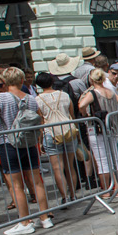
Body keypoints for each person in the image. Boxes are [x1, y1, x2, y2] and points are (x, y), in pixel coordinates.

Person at [0, 66, 51, 235]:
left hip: (8, 143)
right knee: (36, 181)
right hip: (29, 143)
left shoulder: (2, 98)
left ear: (5, 81)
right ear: (22, 80)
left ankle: (24, 222)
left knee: (17, 185)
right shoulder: (30, 98)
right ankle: (45, 218)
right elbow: (39, 118)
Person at [77, 68, 118, 197]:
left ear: (91, 79)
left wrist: (85, 114)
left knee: (102, 160)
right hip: (113, 127)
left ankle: (106, 190)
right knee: (115, 158)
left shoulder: (92, 93)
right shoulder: (110, 91)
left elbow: (81, 105)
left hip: (98, 129)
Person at [35, 71, 80, 204]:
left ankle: (64, 197)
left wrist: (40, 140)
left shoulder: (38, 100)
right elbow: (71, 115)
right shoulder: (64, 95)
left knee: (57, 167)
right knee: (70, 166)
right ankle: (73, 195)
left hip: (51, 133)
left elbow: (41, 121)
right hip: (68, 131)